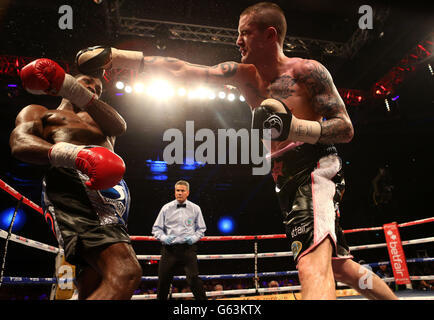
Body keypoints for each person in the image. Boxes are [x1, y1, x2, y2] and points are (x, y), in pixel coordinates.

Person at [76, 2, 398, 300]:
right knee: (340, 265)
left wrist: (296, 127)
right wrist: (119, 56)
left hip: (314, 168)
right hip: (284, 176)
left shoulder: (307, 72)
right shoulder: (244, 76)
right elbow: (184, 69)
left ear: (269, 35)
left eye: (245, 32)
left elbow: (345, 128)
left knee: (311, 265)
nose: (238, 40)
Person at [9, 58, 142, 300]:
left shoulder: (104, 121)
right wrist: (75, 155)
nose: (93, 88)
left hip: (112, 193)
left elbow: (119, 125)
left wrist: (76, 89)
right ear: (65, 83)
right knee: (126, 272)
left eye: (98, 89)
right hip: (72, 184)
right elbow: (19, 143)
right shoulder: (40, 112)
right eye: (87, 83)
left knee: (94, 281)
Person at [151, 180, 207, 300]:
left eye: (182, 191)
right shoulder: (166, 208)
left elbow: (201, 229)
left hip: (188, 249)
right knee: (163, 281)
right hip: (169, 250)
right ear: (174, 192)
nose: (179, 193)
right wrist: (164, 238)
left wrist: (193, 238)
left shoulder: (195, 208)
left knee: (194, 279)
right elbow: (156, 229)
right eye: (177, 190)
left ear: (187, 192)